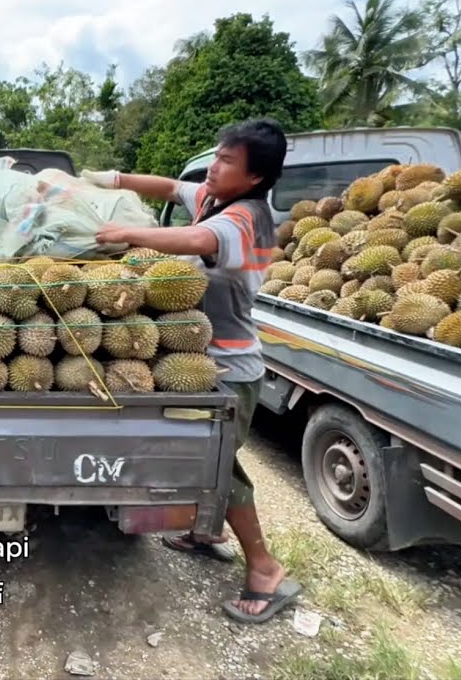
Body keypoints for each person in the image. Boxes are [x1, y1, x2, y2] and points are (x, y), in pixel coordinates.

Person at [83, 118, 300, 625]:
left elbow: (200, 241)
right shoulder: (213, 195)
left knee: (219, 466)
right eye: (217, 154)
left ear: (254, 178)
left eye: (227, 161)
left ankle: (265, 569)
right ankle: (206, 532)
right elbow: (169, 187)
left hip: (229, 365)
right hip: (203, 360)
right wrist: (109, 179)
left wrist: (128, 233)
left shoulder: (247, 218)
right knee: (207, 460)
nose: (215, 165)